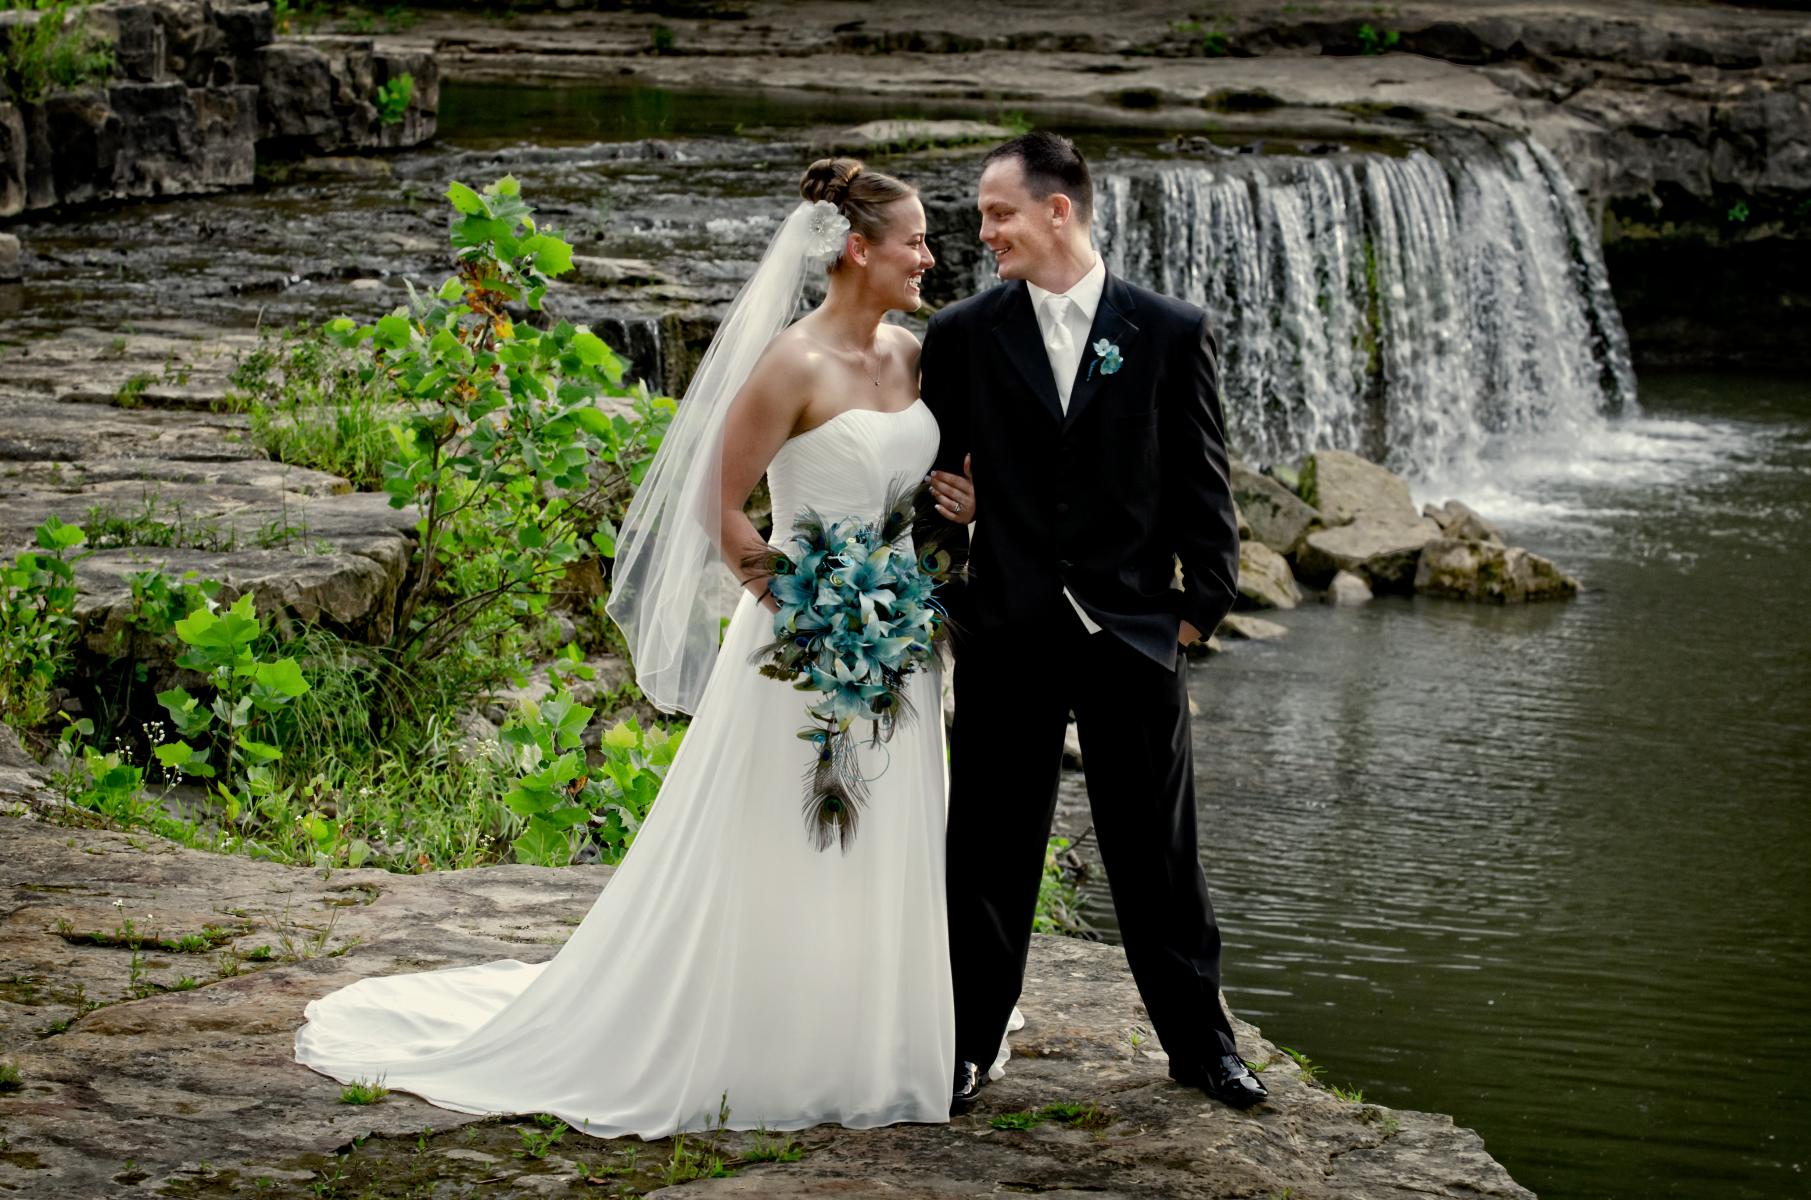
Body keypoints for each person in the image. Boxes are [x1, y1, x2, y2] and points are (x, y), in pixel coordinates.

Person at [294, 157, 984, 1137]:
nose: (928, 255)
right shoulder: (790, 365)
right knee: (787, 835)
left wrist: (958, 513)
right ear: (857, 250)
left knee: (881, 833)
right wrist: (804, 604)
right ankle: (769, 1042)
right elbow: (719, 505)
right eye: (913, 240)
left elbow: (924, 484)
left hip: (898, 636)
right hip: (802, 642)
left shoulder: (912, 357)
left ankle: (869, 1035)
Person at [922, 132, 1268, 1113]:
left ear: (1056, 210)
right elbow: (932, 493)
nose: (982, 232)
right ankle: (963, 1045)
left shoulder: (1166, 331)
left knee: (1157, 858)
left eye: (997, 214)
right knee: (986, 851)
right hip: (1006, 636)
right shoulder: (963, 335)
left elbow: (1204, 492)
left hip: (1130, 636)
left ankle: (1202, 1049)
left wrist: (1194, 615)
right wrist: (955, 599)